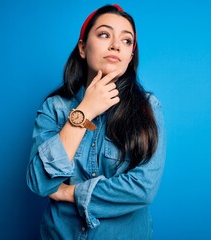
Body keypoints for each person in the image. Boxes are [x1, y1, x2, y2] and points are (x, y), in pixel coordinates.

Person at [27, 4, 166, 239]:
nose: (115, 45)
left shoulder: (149, 107)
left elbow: (143, 189)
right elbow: (39, 182)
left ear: (131, 55)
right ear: (82, 47)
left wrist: (69, 193)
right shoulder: (55, 108)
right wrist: (84, 111)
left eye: (126, 41)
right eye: (104, 34)